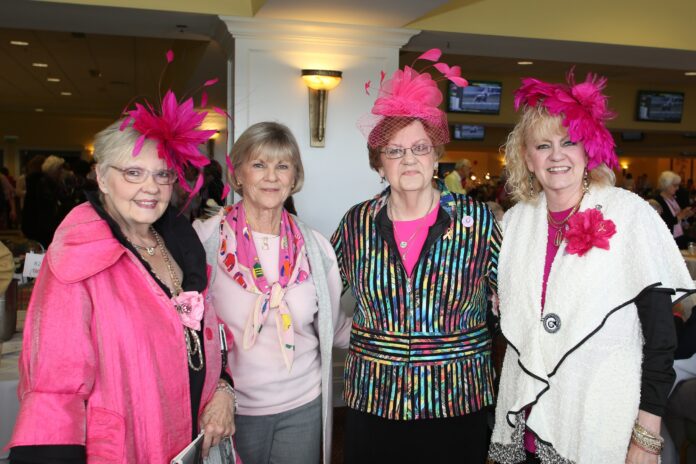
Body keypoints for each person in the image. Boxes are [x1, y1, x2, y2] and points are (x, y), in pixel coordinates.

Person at [8, 65, 235, 462]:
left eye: (161, 175)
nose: (150, 187)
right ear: (101, 177)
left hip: (191, 443)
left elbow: (205, 336)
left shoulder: (179, 244)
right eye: (133, 173)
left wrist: (222, 388)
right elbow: (53, 390)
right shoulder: (78, 258)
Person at [488, 72, 695, 464]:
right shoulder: (514, 223)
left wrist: (646, 438)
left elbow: (660, 337)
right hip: (525, 427)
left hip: (599, 423)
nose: (557, 155)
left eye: (569, 142)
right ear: (527, 159)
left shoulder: (631, 215)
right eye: (542, 146)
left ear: (589, 149)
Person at [333, 49, 501, 463]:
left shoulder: (477, 222)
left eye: (420, 147)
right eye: (394, 151)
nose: (408, 159)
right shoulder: (357, 224)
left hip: (456, 399)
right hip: (375, 398)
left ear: (436, 155)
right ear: (379, 164)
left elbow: (515, 294)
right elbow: (318, 292)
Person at [194, 121, 350, 464]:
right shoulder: (206, 241)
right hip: (230, 410)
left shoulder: (315, 247)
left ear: (294, 178)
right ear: (239, 174)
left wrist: (397, 334)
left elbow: (333, 325)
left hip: (303, 406)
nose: (271, 177)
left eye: (282, 166)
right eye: (259, 165)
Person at [655, 170, 694, 249]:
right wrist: (679, 216)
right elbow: (662, 223)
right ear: (666, 185)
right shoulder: (658, 201)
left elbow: (679, 219)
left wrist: (686, 216)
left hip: (679, 236)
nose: (677, 188)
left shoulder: (674, 199)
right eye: (675, 185)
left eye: (678, 185)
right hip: (668, 240)